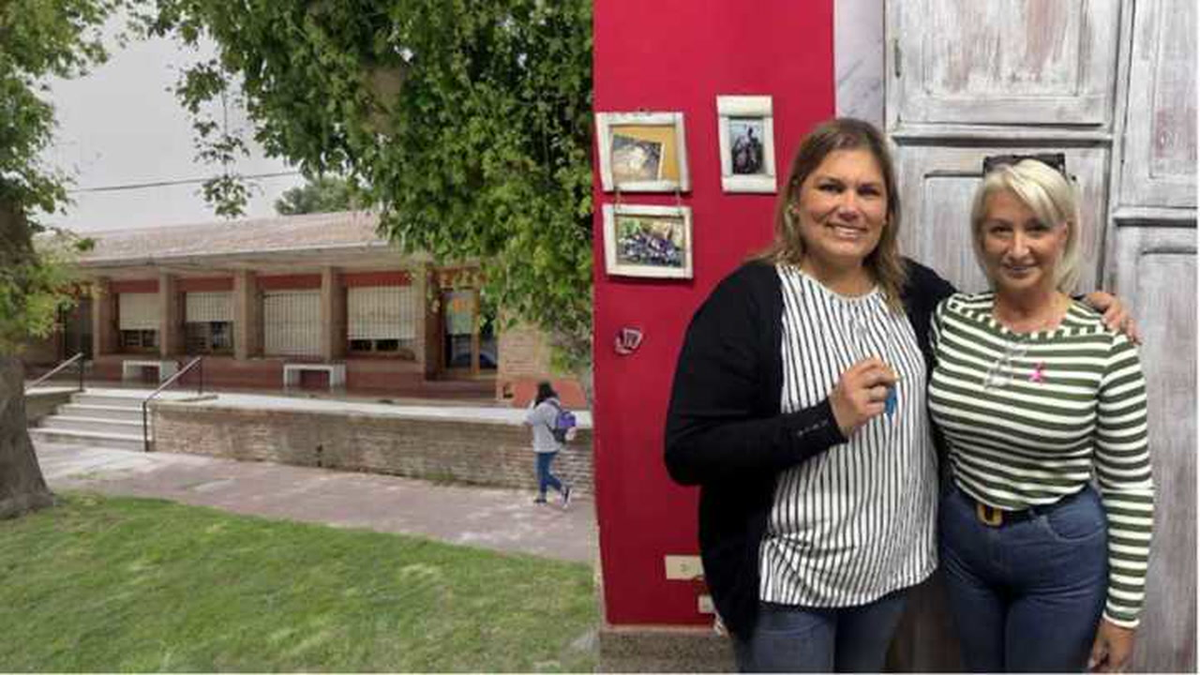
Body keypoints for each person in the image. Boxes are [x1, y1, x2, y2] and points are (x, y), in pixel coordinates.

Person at [663, 118, 1134, 673]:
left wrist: (1081, 308)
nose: (850, 207)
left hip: (888, 572)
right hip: (788, 581)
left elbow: (999, 321)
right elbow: (688, 450)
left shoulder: (911, 290)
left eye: (869, 191)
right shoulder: (748, 301)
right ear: (795, 200)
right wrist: (825, 420)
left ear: (888, 212)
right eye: (830, 187)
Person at [929, 158, 1153, 672]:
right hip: (964, 537)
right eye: (1000, 229)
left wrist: (1123, 613)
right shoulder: (951, 320)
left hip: (1060, 549)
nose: (1017, 248)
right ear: (980, 236)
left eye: (1036, 228)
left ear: (1063, 233)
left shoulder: (1105, 344)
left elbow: (1130, 486)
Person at [524, 381, 573, 509]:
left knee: (542, 473)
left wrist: (532, 405)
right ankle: (542, 495)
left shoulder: (542, 407)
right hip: (555, 442)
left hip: (544, 445)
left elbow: (528, 421)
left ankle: (564, 489)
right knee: (543, 470)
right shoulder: (556, 403)